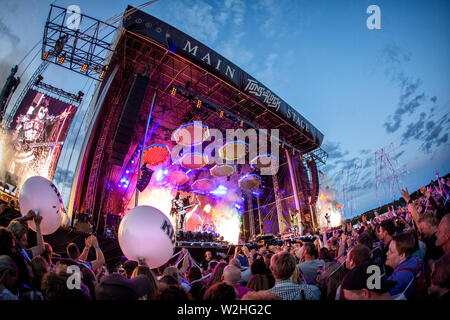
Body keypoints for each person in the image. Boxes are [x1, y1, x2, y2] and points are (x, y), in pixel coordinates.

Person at [386, 231, 425, 300]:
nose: (387, 253)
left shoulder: (397, 281)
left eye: (390, 251)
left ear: (402, 255)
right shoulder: (417, 260)